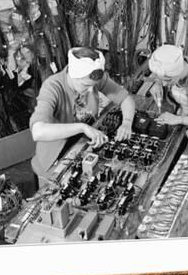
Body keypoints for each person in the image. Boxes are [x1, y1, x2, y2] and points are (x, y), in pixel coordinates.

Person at [30, 47, 135, 183]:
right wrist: (82, 127)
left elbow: (126, 99)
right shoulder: (52, 87)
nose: (91, 89)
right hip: (56, 157)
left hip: (84, 146)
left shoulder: (94, 79)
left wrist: (127, 123)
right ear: (73, 76)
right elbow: (38, 132)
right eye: (86, 85)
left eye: (94, 85)